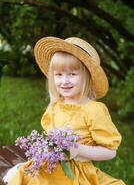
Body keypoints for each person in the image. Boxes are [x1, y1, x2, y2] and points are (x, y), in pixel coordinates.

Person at [4, 37, 125, 185]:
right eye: (58, 75)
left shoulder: (94, 110)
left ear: (87, 77)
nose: (64, 81)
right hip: (50, 168)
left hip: (77, 174)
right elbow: (50, 138)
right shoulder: (56, 105)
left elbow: (110, 152)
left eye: (72, 74)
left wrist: (77, 150)